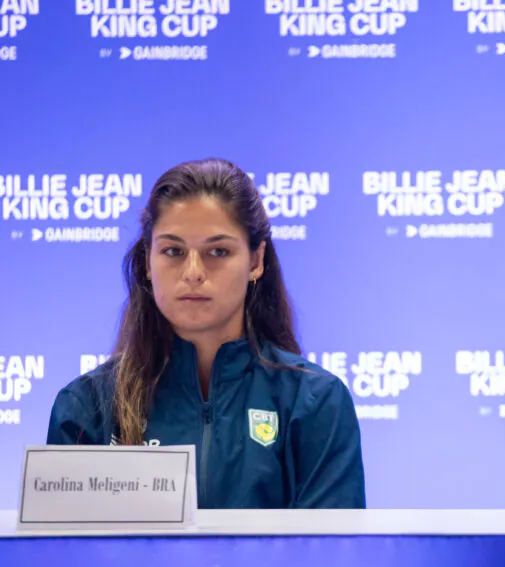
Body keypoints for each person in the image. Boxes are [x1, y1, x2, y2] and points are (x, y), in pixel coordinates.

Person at [46, 158, 366, 509]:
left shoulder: (317, 403)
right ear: (148, 262)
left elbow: (328, 556)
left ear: (256, 261)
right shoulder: (88, 406)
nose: (194, 272)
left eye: (218, 251)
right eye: (173, 251)